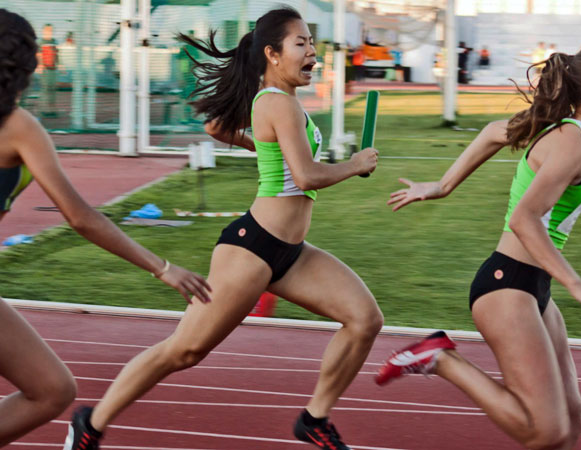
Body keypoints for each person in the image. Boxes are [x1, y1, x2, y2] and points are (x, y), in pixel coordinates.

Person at [63, 7, 382, 450]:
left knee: (364, 318)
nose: (312, 52)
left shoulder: (277, 102)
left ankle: (315, 419)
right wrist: (354, 164)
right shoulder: (276, 102)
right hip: (252, 250)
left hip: (290, 252)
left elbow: (217, 126)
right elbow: (307, 177)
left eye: (311, 43)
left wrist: (261, 147)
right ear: (272, 54)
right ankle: (90, 422)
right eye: (301, 43)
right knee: (185, 351)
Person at [377, 43, 581, 450]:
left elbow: (492, 133)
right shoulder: (571, 141)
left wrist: (443, 186)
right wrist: (580, 288)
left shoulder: (569, 132)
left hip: (532, 288)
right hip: (507, 286)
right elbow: (523, 220)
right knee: (546, 431)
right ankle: (440, 359)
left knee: (569, 426)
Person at [0, 9, 211, 447]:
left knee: (51, 389)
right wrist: (162, 267)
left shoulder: (19, 127)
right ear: (26, 65)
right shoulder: (19, 128)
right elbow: (80, 216)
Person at [37, 23, 58, 116]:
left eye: (51, 30)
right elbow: (38, 54)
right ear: (43, 31)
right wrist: (40, 65)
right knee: (45, 89)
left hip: (53, 69)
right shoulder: (41, 42)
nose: (49, 32)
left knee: (52, 89)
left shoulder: (54, 41)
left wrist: (60, 65)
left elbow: (56, 54)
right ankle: (43, 109)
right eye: (47, 30)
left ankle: (52, 109)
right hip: (45, 69)